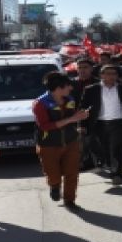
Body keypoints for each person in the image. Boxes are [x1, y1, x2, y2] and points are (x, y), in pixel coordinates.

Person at [32, 72, 89, 212]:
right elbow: (45, 126)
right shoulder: (40, 103)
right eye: (68, 85)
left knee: (72, 172)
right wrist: (71, 119)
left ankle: (70, 201)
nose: (71, 88)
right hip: (49, 145)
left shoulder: (69, 99)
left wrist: (81, 117)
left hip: (71, 141)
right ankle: (55, 186)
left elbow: (74, 117)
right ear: (58, 88)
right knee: (53, 174)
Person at [80, 65, 122, 184]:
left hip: (119, 123)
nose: (111, 76)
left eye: (114, 74)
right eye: (108, 73)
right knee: (104, 148)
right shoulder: (91, 89)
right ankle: (109, 165)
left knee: (117, 148)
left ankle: (117, 173)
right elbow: (83, 108)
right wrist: (82, 125)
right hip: (99, 124)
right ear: (101, 75)